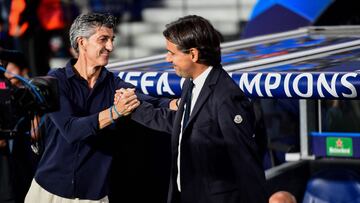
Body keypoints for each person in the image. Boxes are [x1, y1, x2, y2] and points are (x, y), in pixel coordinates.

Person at [25, 13, 173, 203]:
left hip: (93, 196)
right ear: (82, 42)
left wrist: (175, 103)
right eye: (103, 39)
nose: (110, 46)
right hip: (48, 192)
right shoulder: (57, 79)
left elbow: (147, 100)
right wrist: (115, 112)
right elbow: (71, 130)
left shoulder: (113, 83)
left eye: (112, 40)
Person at [124, 15, 268, 203]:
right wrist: (134, 108)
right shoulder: (191, 85)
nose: (168, 59)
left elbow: (245, 162)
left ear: (193, 54)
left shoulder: (226, 97)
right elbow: (181, 125)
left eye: (172, 53)